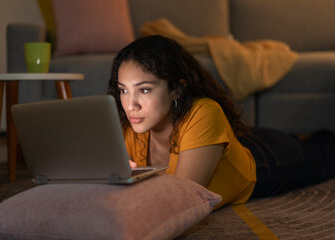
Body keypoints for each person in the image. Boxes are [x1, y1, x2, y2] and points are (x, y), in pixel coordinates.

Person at [108, 35, 335, 209]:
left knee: (326, 153)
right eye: (123, 91)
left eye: (144, 90)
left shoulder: (204, 112)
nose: (130, 105)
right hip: (235, 141)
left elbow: (180, 201)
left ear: (176, 90)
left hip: (267, 163)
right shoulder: (135, 123)